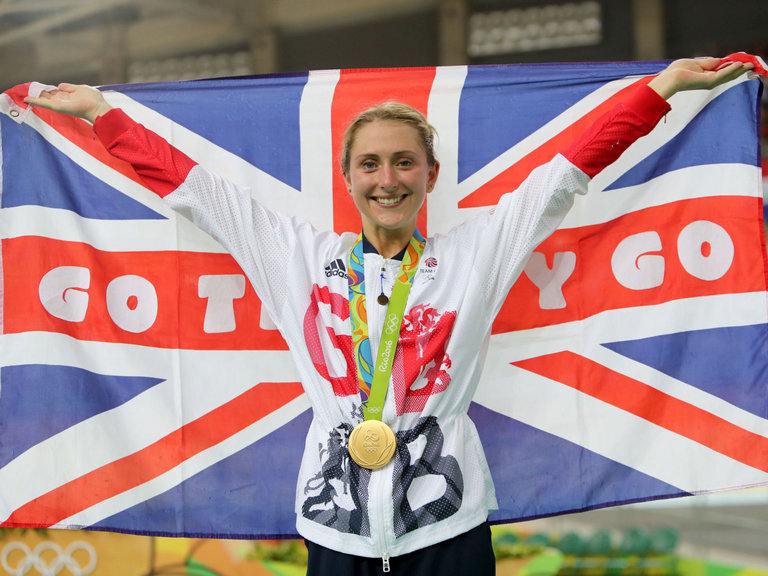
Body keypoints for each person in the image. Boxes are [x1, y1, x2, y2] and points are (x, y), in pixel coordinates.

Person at [24, 57, 753, 575]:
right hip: (334, 530)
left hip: (449, 529)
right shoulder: (298, 258)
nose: (387, 180)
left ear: (430, 176)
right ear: (347, 179)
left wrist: (661, 91)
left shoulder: (473, 258)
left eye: (405, 163)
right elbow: (194, 190)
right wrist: (100, 114)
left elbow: (561, 178)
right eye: (370, 165)